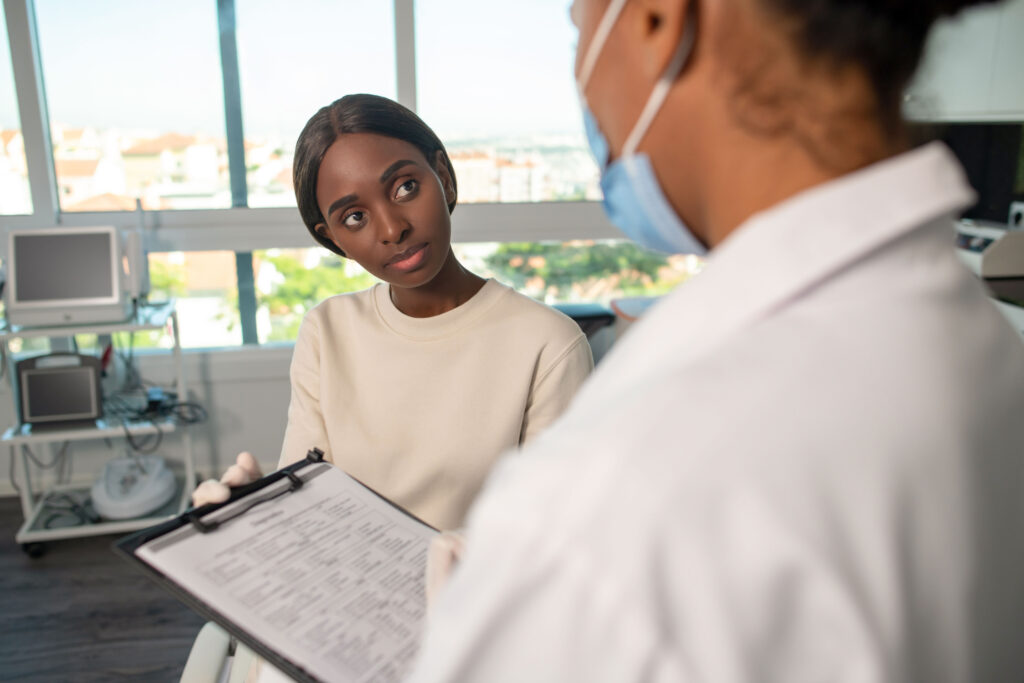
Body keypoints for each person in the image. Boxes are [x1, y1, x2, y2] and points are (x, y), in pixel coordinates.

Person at [407, 0, 1024, 680]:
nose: (584, 76)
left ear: (656, 20)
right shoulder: (981, 340)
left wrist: (500, 609)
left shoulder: (610, 504)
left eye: (578, 25)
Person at [193, 93, 593, 533]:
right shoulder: (327, 332)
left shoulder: (548, 342)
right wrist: (252, 513)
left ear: (444, 178)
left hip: (479, 598)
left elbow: (553, 534)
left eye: (405, 188)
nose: (392, 229)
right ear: (333, 240)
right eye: (355, 217)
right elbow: (305, 507)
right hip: (347, 591)